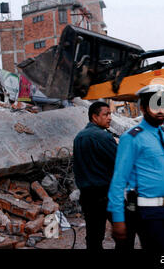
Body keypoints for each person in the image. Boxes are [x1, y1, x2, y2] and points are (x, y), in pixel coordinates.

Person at [107, 84, 164, 250]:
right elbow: (119, 180)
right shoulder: (132, 138)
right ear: (143, 108)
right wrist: (118, 218)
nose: (161, 110)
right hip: (145, 212)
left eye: (162, 105)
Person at [73, 101, 118, 250]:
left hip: (87, 195)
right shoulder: (103, 137)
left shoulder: (79, 137)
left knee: (93, 236)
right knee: (123, 231)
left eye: (110, 114)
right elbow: (119, 161)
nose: (110, 118)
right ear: (94, 117)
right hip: (105, 193)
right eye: (106, 114)